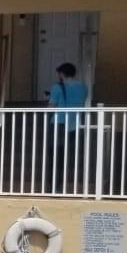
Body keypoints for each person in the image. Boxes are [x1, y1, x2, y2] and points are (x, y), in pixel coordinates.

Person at [47, 63, 89, 194]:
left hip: (59, 124)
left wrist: (48, 99)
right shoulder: (83, 87)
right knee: (68, 154)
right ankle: (69, 183)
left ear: (62, 74)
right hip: (75, 124)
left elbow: (51, 107)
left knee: (55, 156)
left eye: (59, 73)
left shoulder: (57, 87)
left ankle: (54, 185)